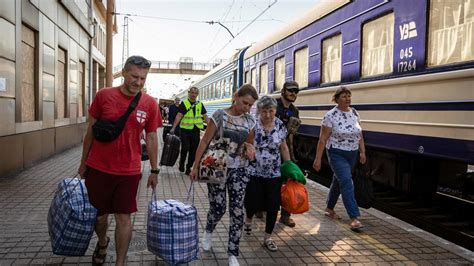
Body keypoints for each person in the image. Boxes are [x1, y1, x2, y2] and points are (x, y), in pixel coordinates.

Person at [78, 55, 161, 266]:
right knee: (100, 217)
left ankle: (120, 262)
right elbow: (91, 131)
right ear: (123, 73)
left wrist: (154, 170)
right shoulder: (103, 96)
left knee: (124, 218)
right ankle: (103, 241)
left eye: (143, 78)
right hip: (99, 167)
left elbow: (152, 138)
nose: (139, 82)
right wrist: (83, 163)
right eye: (134, 76)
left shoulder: (150, 104)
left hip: (129, 171)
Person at [189, 84, 258, 266]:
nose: (246, 107)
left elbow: (250, 144)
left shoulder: (250, 121)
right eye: (244, 102)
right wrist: (195, 166)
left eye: (250, 105)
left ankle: (232, 253)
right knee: (219, 208)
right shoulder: (219, 115)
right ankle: (209, 230)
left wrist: (251, 149)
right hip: (217, 166)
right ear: (236, 96)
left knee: (237, 211)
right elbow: (204, 141)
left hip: (240, 169)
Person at [312, 86, 366, 230]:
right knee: (347, 181)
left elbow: (359, 134)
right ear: (336, 99)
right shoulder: (330, 115)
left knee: (338, 180)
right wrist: (318, 159)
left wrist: (362, 152)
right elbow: (322, 139)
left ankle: (329, 209)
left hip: (352, 153)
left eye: (349, 96)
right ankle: (354, 217)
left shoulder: (354, 113)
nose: (347, 98)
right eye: (344, 96)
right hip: (336, 153)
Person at [243, 96, 290, 252]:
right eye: (264, 111)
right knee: (252, 202)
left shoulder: (280, 125)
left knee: (272, 205)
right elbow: (246, 144)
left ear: (275, 110)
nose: (268, 115)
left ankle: (268, 237)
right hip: (254, 171)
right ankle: (248, 219)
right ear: (259, 111)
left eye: (271, 111)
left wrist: (288, 166)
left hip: (274, 173)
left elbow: (283, 147)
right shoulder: (252, 124)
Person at [275, 80, 300, 227]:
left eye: (296, 91)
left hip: (285, 149)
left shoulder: (294, 110)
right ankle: (260, 207)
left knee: (288, 180)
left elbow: (291, 135)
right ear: (283, 91)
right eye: (290, 90)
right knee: (271, 181)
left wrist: (291, 155)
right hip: (270, 149)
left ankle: (285, 215)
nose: (293, 94)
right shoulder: (273, 106)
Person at [170, 87, 209, 175]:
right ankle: (181, 163)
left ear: (197, 94)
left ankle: (189, 167)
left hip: (196, 130)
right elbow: (179, 115)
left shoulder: (200, 104)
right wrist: (173, 127)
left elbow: (205, 117)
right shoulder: (184, 103)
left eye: (195, 93)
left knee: (193, 150)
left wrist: (211, 128)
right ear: (189, 93)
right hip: (185, 130)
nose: (193, 94)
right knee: (185, 148)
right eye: (192, 93)